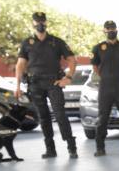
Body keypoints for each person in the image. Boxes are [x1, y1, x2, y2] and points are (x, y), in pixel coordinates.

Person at [14, 12, 78, 159]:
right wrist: (17, 86)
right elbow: (20, 65)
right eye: (37, 22)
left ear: (46, 22)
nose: (40, 24)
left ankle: (71, 147)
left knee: (60, 115)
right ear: (33, 24)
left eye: (42, 21)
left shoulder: (56, 41)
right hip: (35, 84)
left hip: (54, 82)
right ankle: (50, 149)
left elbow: (72, 60)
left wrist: (68, 77)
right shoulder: (27, 43)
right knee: (43, 117)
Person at [91, 20, 119, 156]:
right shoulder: (98, 48)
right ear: (104, 31)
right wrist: (106, 76)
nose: (111, 31)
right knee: (102, 118)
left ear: (116, 30)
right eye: (108, 29)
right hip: (105, 87)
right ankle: (100, 148)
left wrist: (118, 76)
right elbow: (95, 67)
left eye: (113, 28)